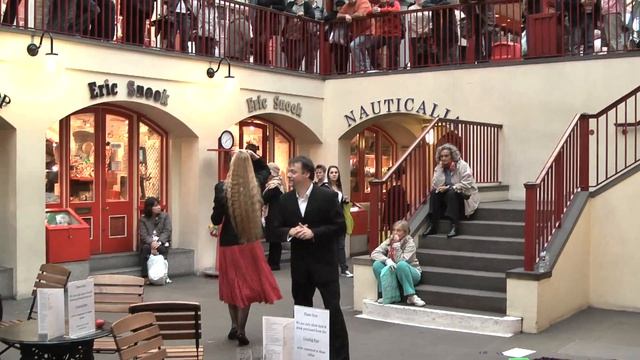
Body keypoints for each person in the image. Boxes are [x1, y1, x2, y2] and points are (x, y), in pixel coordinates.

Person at [272, 156, 350, 360]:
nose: (289, 175)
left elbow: (340, 226)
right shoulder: (284, 200)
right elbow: (273, 229)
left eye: (293, 172)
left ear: (306, 174)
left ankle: (339, 357)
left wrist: (314, 232)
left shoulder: (327, 197)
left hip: (325, 264)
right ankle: (306, 354)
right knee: (302, 311)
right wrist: (290, 231)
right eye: (288, 171)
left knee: (333, 311)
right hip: (300, 266)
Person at [211, 150, 282, 346]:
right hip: (249, 242)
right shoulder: (255, 185)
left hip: (228, 244)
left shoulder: (221, 188)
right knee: (248, 284)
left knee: (231, 284)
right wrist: (254, 156)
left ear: (231, 167)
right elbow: (265, 170)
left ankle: (234, 326)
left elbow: (216, 219)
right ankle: (242, 328)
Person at [425, 143, 479, 238]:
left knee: (451, 193)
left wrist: (450, 187)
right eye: (441, 156)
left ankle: (455, 226)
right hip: (448, 197)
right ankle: (433, 225)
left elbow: (467, 184)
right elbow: (436, 185)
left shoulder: (463, 165)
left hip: (464, 196)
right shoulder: (439, 167)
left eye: (446, 156)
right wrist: (440, 170)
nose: (443, 158)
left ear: (452, 156)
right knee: (434, 192)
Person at [371, 220, 425, 306]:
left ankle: (411, 296)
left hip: (411, 274)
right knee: (377, 264)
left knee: (401, 265)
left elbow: (401, 261)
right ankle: (387, 294)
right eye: (394, 230)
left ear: (405, 232)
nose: (395, 233)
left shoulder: (410, 244)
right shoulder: (389, 241)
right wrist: (386, 260)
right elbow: (374, 253)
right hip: (395, 271)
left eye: (398, 230)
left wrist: (396, 245)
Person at [327, 165, 353, 277]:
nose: (334, 174)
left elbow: (339, 204)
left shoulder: (339, 187)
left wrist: (345, 201)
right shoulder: (325, 188)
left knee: (341, 246)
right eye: (332, 172)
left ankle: (344, 269)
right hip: (330, 221)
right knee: (331, 246)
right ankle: (330, 269)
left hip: (341, 220)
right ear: (328, 174)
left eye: (336, 172)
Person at [139, 197, 172, 281]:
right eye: (156, 206)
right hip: (149, 244)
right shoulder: (143, 220)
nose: (159, 207)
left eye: (159, 205)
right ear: (150, 208)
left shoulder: (165, 216)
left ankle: (160, 275)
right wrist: (152, 242)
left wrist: (159, 242)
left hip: (162, 243)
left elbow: (167, 231)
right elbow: (144, 235)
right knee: (146, 248)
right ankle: (145, 276)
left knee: (161, 249)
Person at [338, 0, 373, 72]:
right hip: (358, 33)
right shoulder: (347, 6)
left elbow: (360, 14)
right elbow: (338, 15)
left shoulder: (363, 2)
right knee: (361, 49)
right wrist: (345, 15)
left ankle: (360, 68)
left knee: (353, 45)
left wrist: (350, 17)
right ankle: (368, 68)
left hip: (369, 31)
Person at [264, 162, 285, 270]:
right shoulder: (275, 184)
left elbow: (265, 198)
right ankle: (272, 262)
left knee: (275, 240)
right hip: (274, 215)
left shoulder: (274, 185)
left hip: (275, 216)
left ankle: (274, 263)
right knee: (274, 241)